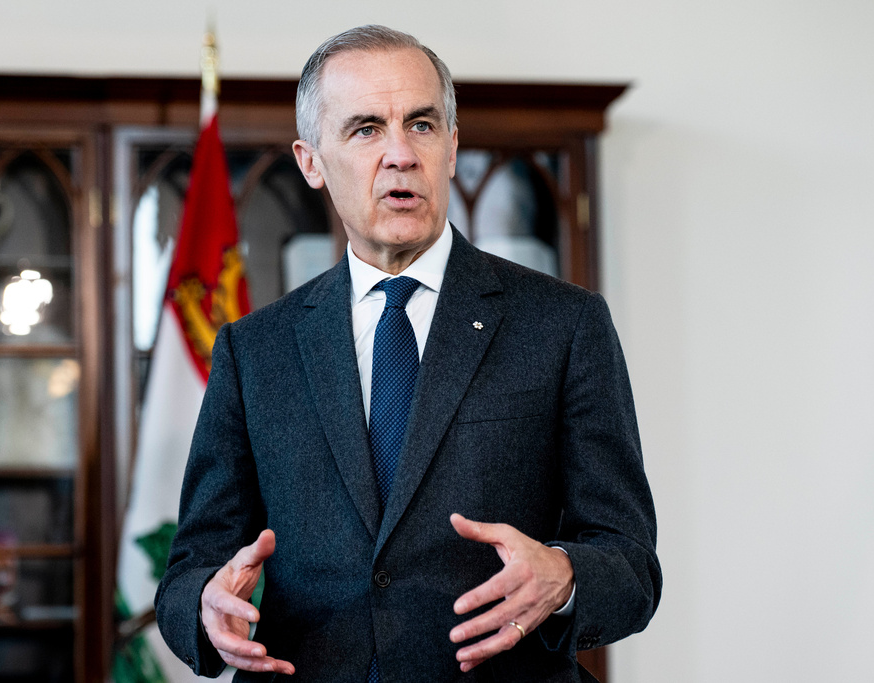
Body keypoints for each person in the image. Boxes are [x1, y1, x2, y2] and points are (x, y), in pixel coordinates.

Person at [155, 25, 661, 683]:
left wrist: (564, 574)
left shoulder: (564, 324)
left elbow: (631, 564)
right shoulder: (254, 351)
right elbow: (190, 566)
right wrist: (204, 602)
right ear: (311, 161)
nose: (400, 153)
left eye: (421, 125)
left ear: (451, 148)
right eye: (365, 129)